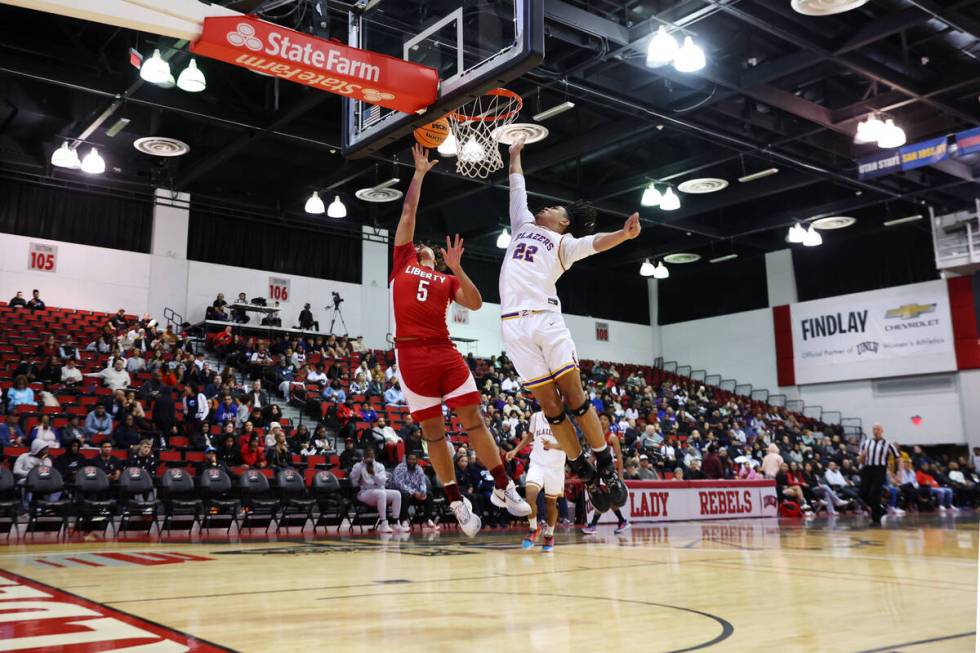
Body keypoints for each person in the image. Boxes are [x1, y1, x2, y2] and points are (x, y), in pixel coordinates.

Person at [387, 144, 529, 537]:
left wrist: (458, 267)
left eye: (424, 249)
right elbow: (408, 213)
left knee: (474, 422)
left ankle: (505, 486)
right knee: (433, 435)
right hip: (411, 353)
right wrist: (418, 174)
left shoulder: (447, 278)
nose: (420, 249)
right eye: (419, 248)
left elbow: (477, 302)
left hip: (444, 351)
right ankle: (456, 503)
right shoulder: (403, 263)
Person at [500, 137, 639, 514]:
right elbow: (517, 187)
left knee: (574, 396)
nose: (545, 207)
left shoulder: (564, 245)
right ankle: (584, 471)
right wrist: (514, 155)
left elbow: (595, 242)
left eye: (555, 208)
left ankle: (606, 466)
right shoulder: (521, 224)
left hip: (546, 320)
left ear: (562, 223)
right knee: (550, 407)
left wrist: (624, 235)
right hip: (513, 326)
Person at [507, 410, 566, 552]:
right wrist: (515, 450)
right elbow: (530, 436)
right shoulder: (536, 416)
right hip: (537, 463)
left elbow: (571, 446)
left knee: (551, 504)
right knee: (530, 496)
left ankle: (549, 535)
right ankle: (534, 528)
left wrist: (553, 446)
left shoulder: (564, 418)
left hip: (555, 467)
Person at [349, 448, 402, 533]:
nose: (369, 458)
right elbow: (353, 478)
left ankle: (396, 522)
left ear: (374, 456)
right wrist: (362, 465)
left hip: (379, 490)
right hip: (364, 493)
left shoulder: (379, 466)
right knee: (381, 494)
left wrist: (373, 474)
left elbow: (382, 482)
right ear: (364, 456)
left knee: (397, 494)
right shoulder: (358, 465)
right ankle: (383, 523)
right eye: (367, 456)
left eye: (371, 455)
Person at [859, 423, 901, 526]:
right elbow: (860, 460)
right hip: (867, 468)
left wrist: (899, 474)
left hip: (880, 469)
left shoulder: (888, 444)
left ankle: (876, 519)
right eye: (874, 429)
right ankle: (879, 509)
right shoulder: (866, 443)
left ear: (882, 431)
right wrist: (862, 456)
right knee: (862, 493)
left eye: (877, 429)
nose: (875, 431)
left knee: (874, 493)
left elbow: (898, 459)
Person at [392, 453, 437, 531]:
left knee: (429, 494)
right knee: (404, 494)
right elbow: (399, 484)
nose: (411, 461)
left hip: (416, 494)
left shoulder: (419, 468)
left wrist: (423, 492)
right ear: (406, 460)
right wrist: (413, 492)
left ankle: (427, 520)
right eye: (410, 459)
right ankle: (404, 520)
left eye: (414, 459)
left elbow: (422, 482)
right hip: (403, 493)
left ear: (416, 460)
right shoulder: (400, 468)